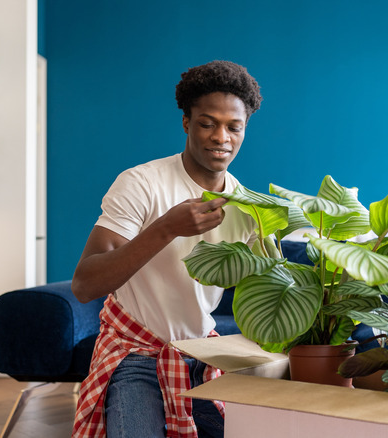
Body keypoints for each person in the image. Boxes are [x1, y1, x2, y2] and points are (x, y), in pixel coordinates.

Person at [71, 60, 263, 438]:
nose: (220, 137)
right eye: (208, 123)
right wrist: (166, 228)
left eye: (233, 127)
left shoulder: (247, 207)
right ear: (186, 123)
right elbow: (85, 284)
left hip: (202, 354)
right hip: (136, 353)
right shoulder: (141, 183)